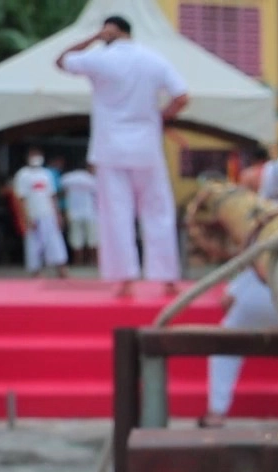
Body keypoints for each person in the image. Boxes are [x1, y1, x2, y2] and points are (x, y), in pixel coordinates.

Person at [57, 14, 189, 298]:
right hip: (146, 146)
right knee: (158, 210)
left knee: (116, 213)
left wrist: (94, 38)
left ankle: (126, 279)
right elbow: (182, 97)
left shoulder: (100, 59)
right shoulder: (154, 59)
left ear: (110, 32)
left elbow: (61, 60)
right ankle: (168, 278)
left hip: (110, 147)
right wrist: (161, 117)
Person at [13, 147, 70, 278]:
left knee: (55, 242)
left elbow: (52, 195)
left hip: (48, 214)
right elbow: (21, 198)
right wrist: (26, 217)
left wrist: (58, 215)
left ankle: (62, 270)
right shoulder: (23, 175)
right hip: (33, 214)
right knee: (33, 245)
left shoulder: (46, 174)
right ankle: (35, 273)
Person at [61, 162, 98, 266]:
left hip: (74, 213)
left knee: (76, 239)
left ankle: (78, 262)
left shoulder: (67, 178)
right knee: (92, 239)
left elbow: (63, 192)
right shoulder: (92, 179)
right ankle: (92, 261)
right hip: (90, 213)